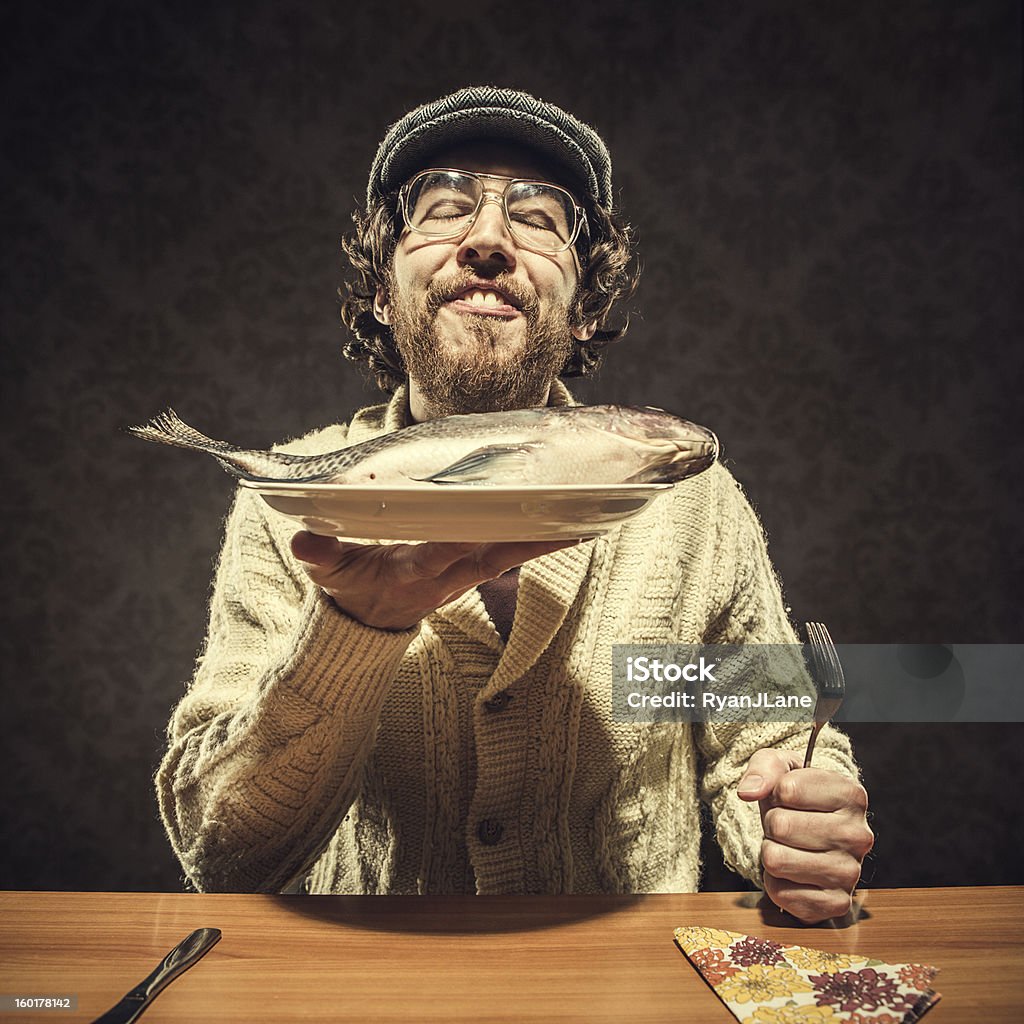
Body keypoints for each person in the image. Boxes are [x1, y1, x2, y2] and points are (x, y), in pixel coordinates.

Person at [156, 86, 872, 923]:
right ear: (384, 294)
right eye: (442, 206)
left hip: (623, 999)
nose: (488, 238)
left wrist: (799, 824)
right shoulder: (295, 503)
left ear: (583, 308)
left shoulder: (695, 506)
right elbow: (224, 855)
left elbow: (766, 742)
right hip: (369, 1000)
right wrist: (351, 630)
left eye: (538, 218)